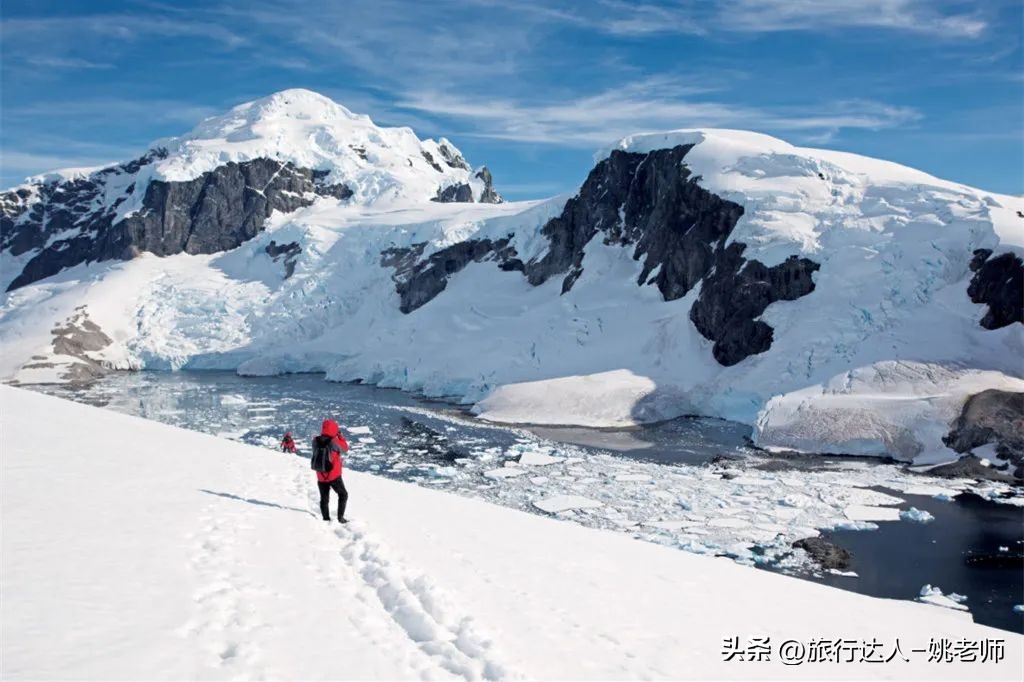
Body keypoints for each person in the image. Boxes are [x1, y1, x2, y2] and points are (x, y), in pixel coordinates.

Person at [313, 419, 349, 523]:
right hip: (334, 476)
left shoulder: (315, 440)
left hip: (320, 474)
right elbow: (345, 448)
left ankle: (326, 519)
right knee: (343, 495)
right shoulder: (334, 441)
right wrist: (340, 436)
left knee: (324, 498)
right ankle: (340, 518)